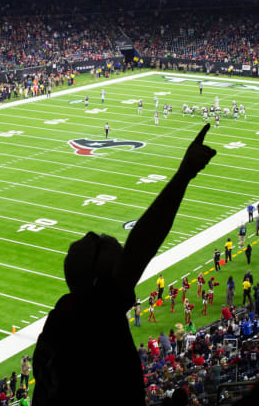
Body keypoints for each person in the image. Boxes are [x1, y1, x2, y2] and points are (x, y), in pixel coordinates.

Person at [33, 125, 217, 406]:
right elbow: (142, 244)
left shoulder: (65, 321)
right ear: (99, 281)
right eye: (115, 256)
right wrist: (183, 175)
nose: (124, 258)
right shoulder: (92, 319)